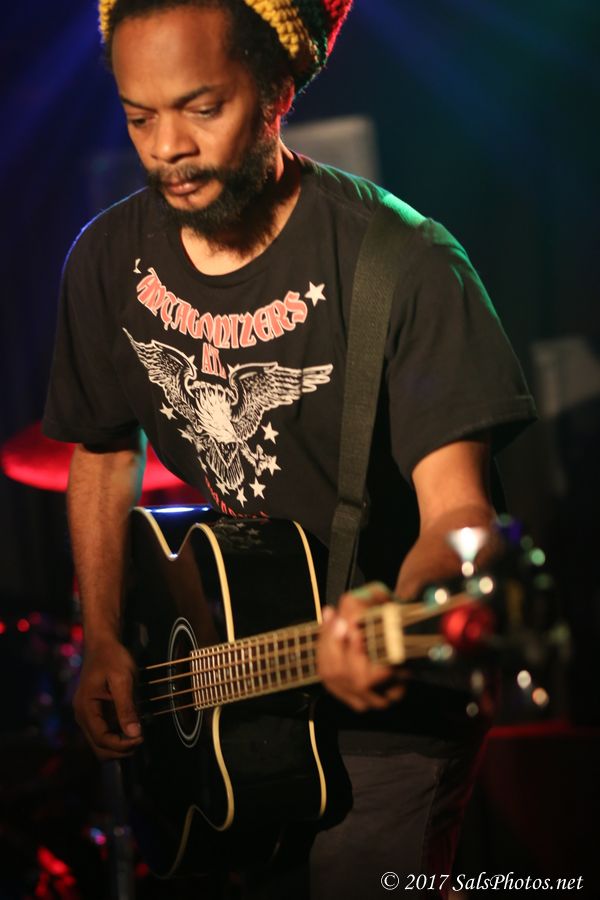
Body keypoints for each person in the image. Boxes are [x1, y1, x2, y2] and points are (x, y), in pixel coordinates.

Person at [43, 0, 536, 896]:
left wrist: (400, 612)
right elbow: (103, 453)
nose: (168, 147)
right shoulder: (108, 260)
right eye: (139, 117)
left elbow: (460, 514)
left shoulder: (408, 264)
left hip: (388, 700)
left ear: (276, 88)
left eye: (202, 108)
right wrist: (104, 639)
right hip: (224, 690)